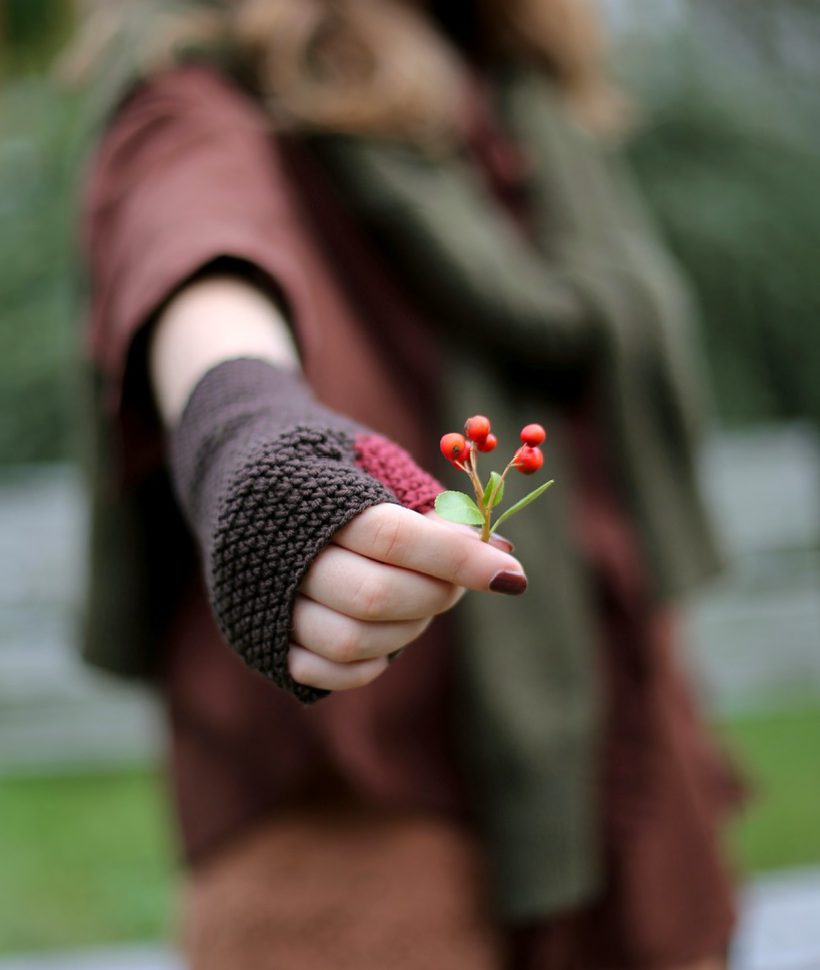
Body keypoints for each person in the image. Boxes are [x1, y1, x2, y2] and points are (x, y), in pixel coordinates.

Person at [72, 0, 742, 967]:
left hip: (628, 758)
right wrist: (253, 438)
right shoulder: (198, 89)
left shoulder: (528, 105)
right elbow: (198, 256)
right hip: (363, 803)